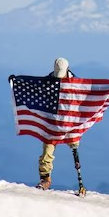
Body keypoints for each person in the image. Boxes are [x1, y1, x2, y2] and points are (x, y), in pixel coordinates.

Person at [36, 57, 79, 190]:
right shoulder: (48, 81)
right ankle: (45, 179)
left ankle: (80, 178)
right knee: (47, 151)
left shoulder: (76, 83)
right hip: (53, 121)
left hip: (70, 120)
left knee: (74, 147)